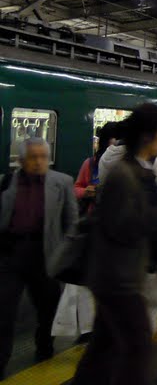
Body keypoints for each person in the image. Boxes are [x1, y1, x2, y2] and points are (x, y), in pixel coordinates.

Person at [72, 104, 157, 385]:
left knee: (102, 347)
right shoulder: (124, 175)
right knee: (138, 348)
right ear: (148, 136)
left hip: (115, 275)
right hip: (118, 278)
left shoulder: (137, 170)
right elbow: (124, 226)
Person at [0, 138, 77, 377]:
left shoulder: (62, 182)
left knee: (47, 307)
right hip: (11, 254)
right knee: (3, 311)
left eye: (43, 156)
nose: (39, 161)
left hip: (45, 255)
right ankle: (1, 360)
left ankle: (44, 347)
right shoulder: (8, 181)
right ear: (21, 160)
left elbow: (71, 221)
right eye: (33, 157)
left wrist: (67, 254)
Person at [75, 122, 120, 216]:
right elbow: (76, 188)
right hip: (95, 216)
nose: (118, 142)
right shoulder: (90, 163)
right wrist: (85, 192)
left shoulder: (128, 163)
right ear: (105, 140)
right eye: (115, 137)